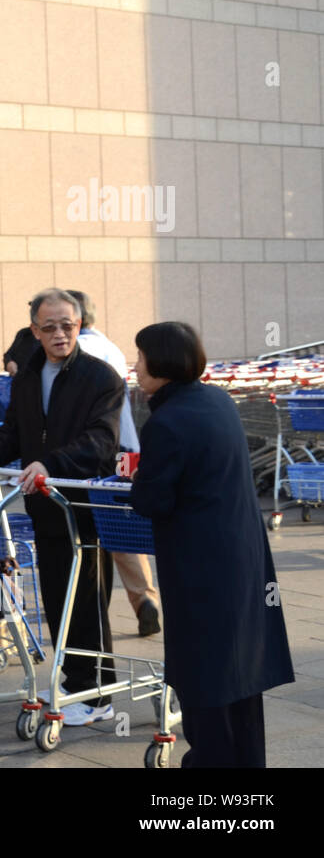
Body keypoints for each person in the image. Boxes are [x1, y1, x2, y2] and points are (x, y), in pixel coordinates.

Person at [127, 322, 293, 768]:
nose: (136, 366)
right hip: (242, 557)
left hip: (199, 566)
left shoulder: (167, 421)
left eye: (140, 357)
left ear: (161, 363)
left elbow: (152, 501)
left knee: (205, 677)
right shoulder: (218, 400)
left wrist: (136, 482)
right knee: (241, 678)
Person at [0, 287, 122, 727]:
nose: (59, 334)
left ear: (79, 326)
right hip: (45, 505)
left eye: (67, 326)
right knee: (56, 595)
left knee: (86, 597)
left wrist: (49, 463)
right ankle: (74, 683)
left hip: (84, 505)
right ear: (34, 330)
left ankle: (98, 693)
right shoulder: (30, 377)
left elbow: (101, 441)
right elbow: (14, 430)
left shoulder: (100, 378)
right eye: (49, 327)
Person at [66, 289, 161, 638]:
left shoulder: (77, 354)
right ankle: (144, 599)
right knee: (122, 524)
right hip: (126, 449)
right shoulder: (112, 348)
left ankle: (89, 608)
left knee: (90, 530)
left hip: (94, 450)